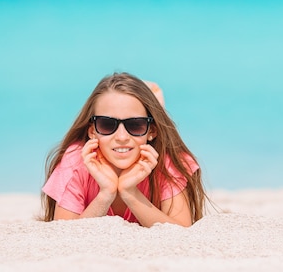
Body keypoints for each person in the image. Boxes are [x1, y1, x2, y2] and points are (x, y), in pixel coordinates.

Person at [41, 72, 207, 227]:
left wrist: (130, 193)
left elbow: (182, 231)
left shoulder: (167, 161)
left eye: (135, 125)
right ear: (92, 131)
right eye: (107, 124)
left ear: (152, 131)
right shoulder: (75, 161)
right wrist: (105, 195)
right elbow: (63, 232)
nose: (121, 137)